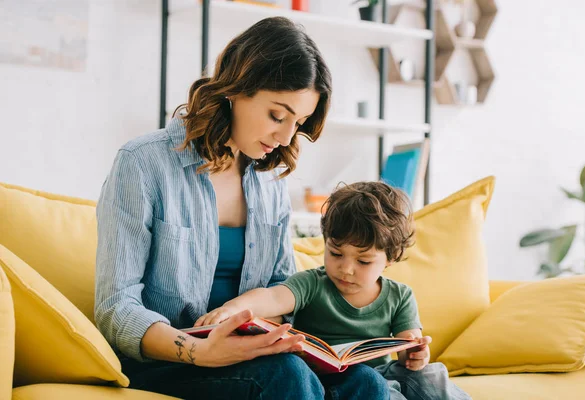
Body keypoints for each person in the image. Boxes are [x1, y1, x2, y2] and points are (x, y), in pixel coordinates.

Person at [95, 16, 391, 400]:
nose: (285, 136)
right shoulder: (143, 164)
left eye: (297, 123)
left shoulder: (270, 184)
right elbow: (116, 307)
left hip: (254, 358)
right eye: (277, 115)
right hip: (170, 362)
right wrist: (201, 351)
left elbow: (285, 291)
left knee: (366, 382)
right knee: (284, 376)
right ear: (237, 88)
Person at [197, 181, 473, 400]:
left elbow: (406, 345)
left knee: (426, 376)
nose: (346, 269)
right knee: (373, 384)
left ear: (390, 257)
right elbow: (272, 297)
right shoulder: (313, 283)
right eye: (336, 253)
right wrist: (232, 308)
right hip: (324, 379)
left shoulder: (400, 296)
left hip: (379, 376)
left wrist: (415, 354)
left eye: (363, 261)